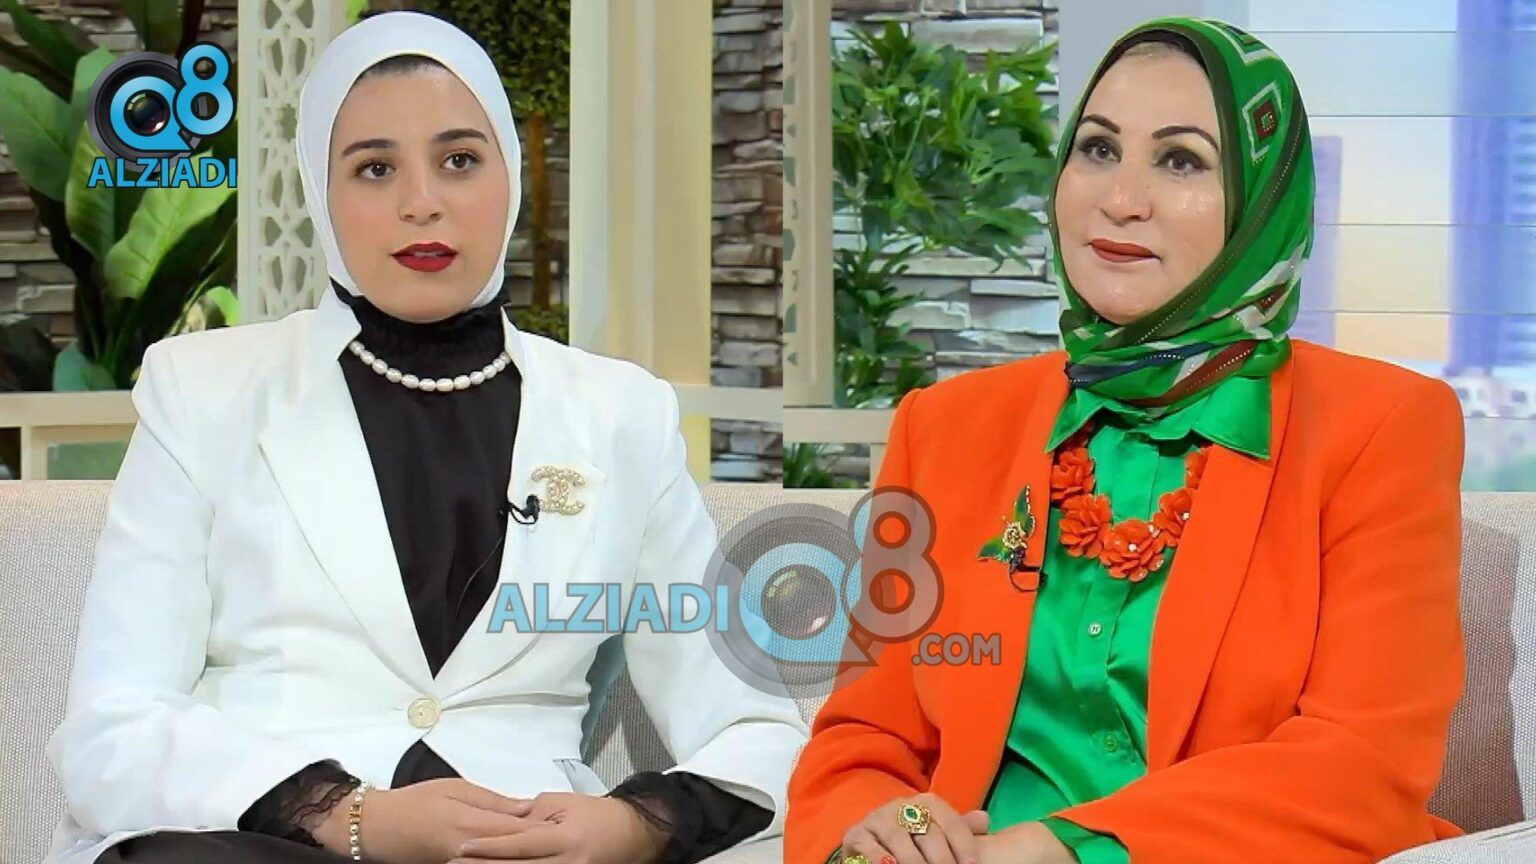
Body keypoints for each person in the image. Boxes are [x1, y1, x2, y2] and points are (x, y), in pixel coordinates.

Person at [45, 12, 807, 864]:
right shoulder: (203, 390)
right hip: (264, 839)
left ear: (509, 173)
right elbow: (113, 722)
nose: (422, 203)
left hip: (521, 842)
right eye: (374, 168)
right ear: (320, 192)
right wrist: (348, 813)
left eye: (459, 160)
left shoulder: (621, 412)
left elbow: (753, 723)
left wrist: (634, 825)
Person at [784, 17, 1465, 864]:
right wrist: (895, 832)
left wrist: (1063, 848)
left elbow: (1363, 767)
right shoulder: (944, 427)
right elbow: (864, 742)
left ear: (1262, 201)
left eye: (1181, 161)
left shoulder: (1381, 427)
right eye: (1099, 149)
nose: (1121, 199)